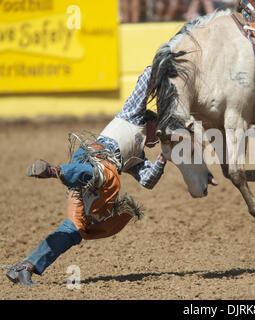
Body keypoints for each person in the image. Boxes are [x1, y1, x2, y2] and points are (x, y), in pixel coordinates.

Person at [4, 66, 168, 287]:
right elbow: (147, 76)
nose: (158, 135)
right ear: (150, 122)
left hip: (89, 175)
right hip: (94, 157)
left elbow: (148, 180)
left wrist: (162, 159)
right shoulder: (132, 114)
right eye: (157, 129)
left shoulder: (137, 156)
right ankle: (55, 171)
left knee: (75, 229)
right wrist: (163, 66)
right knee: (106, 175)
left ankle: (25, 267)